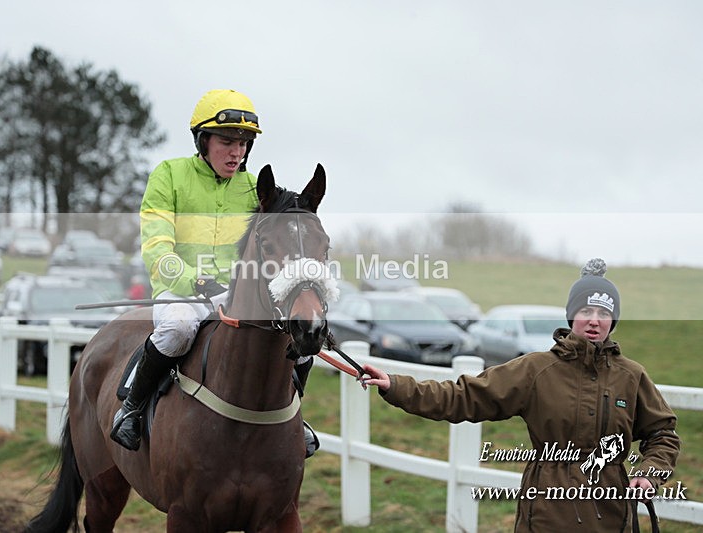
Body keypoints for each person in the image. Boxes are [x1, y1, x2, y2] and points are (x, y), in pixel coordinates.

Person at [360, 258, 680, 531]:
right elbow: (463, 396)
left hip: (610, 515)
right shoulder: (537, 370)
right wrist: (396, 385)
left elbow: (663, 433)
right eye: (586, 310)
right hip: (546, 514)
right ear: (572, 315)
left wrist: (649, 474)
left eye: (603, 312)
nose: (594, 320)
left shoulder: (631, 376)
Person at [110, 89, 319, 456]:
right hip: (181, 292)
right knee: (177, 329)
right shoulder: (169, 175)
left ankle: (291, 416)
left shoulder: (255, 188)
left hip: (235, 295)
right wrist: (194, 279)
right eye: (227, 142)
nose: (236, 152)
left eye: (243, 143)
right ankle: (131, 408)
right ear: (203, 140)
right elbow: (157, 246)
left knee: (299, 340)